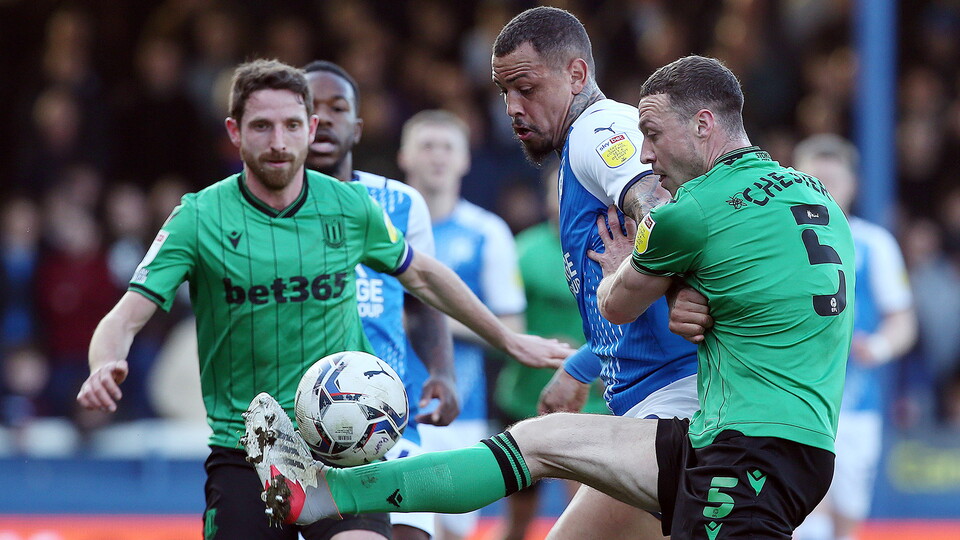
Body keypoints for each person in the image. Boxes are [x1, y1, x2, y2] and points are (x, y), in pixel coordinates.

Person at [242, 54, 855, 540]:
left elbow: (627, 282)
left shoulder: (669, 190)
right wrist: (683, 297)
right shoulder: (813, 197)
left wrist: (641, 271)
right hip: (739, 436)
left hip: (741, 446)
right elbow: (771, 289)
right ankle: (321, 495)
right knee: (540, 442)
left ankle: (326, 494)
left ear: (702, 125)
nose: (645, 152)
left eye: (654, 134)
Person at [76, 59, 572, 540]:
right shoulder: (198, 217)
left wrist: (508, 339)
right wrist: (103, 363)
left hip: (346, 440)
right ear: (234, 132)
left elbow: (423, 276)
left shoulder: (351, 207)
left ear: (311, 128)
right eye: (262, 127)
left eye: (292, 125)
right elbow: (123, 319)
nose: (278, 142)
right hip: (251, 446)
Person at [303, 59, 457, 540]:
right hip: (300, 422)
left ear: (358, 127)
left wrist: (442, 371)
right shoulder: (266, 211)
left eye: (337, 108)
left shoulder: (400, 202)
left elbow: (422, 299)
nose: (323, 118)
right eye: (310, 108)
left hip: (388, 416)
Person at [397, 109, 526, 540]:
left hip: (460, 410)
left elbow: (512, 325)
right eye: (426, 145)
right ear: (404, 156)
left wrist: (424, 317)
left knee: (451, 534)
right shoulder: (381, 228)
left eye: (447, 146)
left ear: (465, 160)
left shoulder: (488, 233)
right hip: (385, 409)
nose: (437, 156)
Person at [790, 135, 917, 540]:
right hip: (794, 394)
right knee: (806, 511)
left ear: (852, 184)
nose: (824, 189)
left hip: (855, 400)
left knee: (848, 516)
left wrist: (875, 347)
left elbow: (903, 321)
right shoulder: (778, 240)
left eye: (832, 179)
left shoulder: (875, 243)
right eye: (814, 178)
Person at [493, 162, 609, 540]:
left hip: (591, 408)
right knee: (518, 519)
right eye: (557, 191)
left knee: (584, 519)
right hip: (524, 404)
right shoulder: (523, 252)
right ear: (546, 200)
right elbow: (504, 322)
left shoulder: (613, 251)